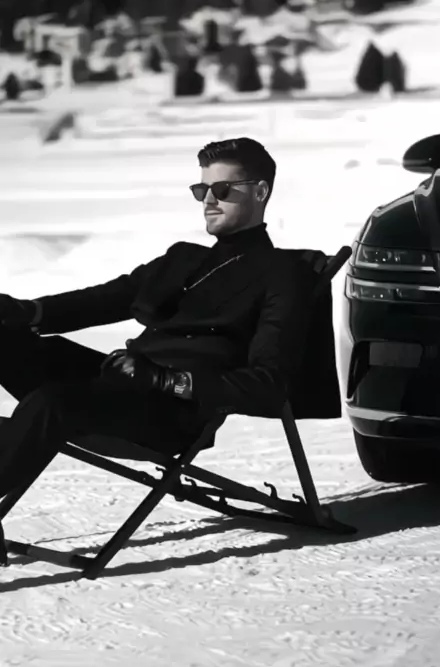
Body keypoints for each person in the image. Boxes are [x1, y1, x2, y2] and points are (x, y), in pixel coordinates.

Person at [0, 137, 316, 565]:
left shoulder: (283, 275)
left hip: (170, 411)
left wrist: (165, 379)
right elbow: (106, 298)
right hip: (117, 385)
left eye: (222, 189)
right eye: (201, 190)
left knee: (50, 403)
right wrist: (27, 312)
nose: (209, 200)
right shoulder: (184, 259)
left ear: (260, 192)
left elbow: (267, 382)